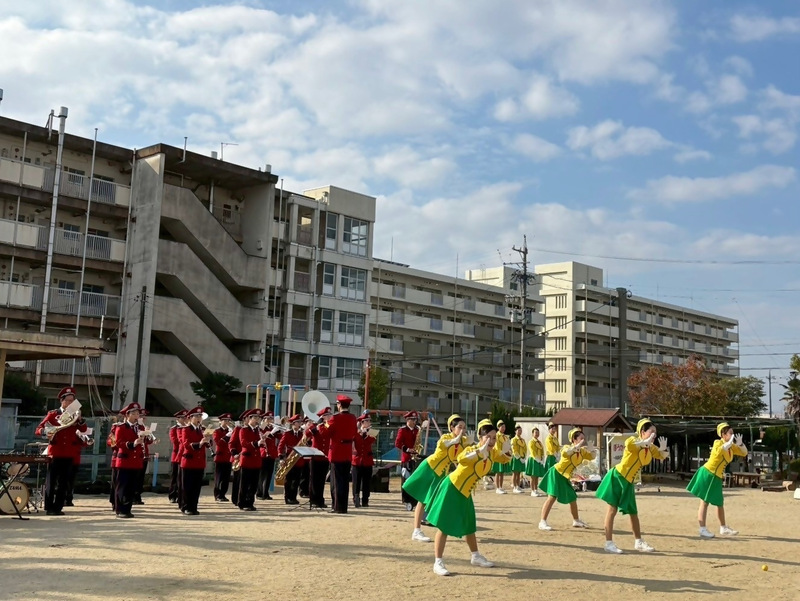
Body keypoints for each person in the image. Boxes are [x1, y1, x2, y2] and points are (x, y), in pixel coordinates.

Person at [426, 418, 511, 576]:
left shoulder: (492, 453)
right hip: (452, 488)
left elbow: (505, 458)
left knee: (469, 525)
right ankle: (438, 562)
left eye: (494, 438)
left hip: (465, 492)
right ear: (480, 437)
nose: (491, 441)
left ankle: (475, 556)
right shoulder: (471, 450)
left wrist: (508, 451)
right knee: (444, 526)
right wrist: (479, 451)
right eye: (488, 437)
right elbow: (461, 459)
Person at [596, 418, 670, 554]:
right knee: (612, 510)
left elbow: (661, 456)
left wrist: (663, 449)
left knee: (633, 512)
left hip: (628, 481)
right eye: (651, 432)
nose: (654, 435)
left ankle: (638, 541)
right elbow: (630, 446)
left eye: (655, 432)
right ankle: (608, 543)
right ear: (642, 432)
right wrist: (644, 442)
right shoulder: (632, 440)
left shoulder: (650, 447)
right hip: (618, 477)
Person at [403, 414, 467, 543]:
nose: (462, 430)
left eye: (464, 428)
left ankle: (434, 527)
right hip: (431, 468)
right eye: (459, 427)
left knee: (437, 500)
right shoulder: (446, 437)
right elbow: (443, 444)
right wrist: (455, 441)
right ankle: (417, 530)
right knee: (423, 499)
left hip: (442, 473)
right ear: (451, 428)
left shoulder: (462, 442)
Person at [687, 422, 748, 538]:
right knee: (704, 502)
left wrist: (740, 444)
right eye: (730, 433)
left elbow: (744, 453)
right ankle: (702, 529)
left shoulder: (731, 447)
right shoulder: (718, 443)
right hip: (708, 474)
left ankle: (723, 527)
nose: (733, 435)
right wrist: (729, 443)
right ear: (723, 434)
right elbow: (719, 451)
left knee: (719, 502)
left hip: (717, 476)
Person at [34, 386, 87, 516]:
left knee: (64, 481)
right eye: (68, 400)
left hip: (69, 452)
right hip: (55, 451)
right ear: (62, 401)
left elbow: (84, 429)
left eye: (72, 401)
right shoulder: (53, 414)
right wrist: (47, 432)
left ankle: (58, 507)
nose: (70, 403)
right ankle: (49, 506)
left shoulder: (75, 414)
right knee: (51, 481)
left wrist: (79, 419)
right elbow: (39, 429)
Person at [539, 428, 595, 531]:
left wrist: (592, 450)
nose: (583, 440)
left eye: (584, 438)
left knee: (572, 498)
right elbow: (566, 453)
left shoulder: (582, 451)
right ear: (574, 439)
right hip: (556, 473)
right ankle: (542, 521)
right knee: (552, 497)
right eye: (581, 438)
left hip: (565, 476)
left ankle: (576, 520)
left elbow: (592, 457)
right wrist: (576, 446)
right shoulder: (567, 447)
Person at [325, 394, 358, 514]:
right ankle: (344, 506)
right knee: (344, 481)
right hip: (347, 451)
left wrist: (326, 423)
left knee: (336, 481)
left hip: (337, 451)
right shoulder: (353, 418)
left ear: (339, 405)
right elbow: (354, 432)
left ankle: (337, 506)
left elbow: (328, 432)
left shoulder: (335, 418)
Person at [112, 402, 146, 519]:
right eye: (134, 413)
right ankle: (120, 509)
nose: (137, 415)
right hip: (124, 460)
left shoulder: (140, 428)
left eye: (138, 413)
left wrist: (147, 437)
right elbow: (119, 442)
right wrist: (133, 443)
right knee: (122, 486)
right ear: (127, 415)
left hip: (136, 461)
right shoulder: (121, 427)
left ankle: (127, 509)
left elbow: (147, 442)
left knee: (131, 487)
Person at [180, 407, 212, 515]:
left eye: (200, 416)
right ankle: (186, 506)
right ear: (190, 418)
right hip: (189, 461)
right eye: (197, 416)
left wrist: (208, 440)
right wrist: (199, 443)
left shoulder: (202, 429)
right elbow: (186, 444)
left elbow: (207, 445)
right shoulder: (186, 429)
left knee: (196, 487)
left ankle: (194, 506)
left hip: (199, 462)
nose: (199, 418)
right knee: (188, 486)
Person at [237, 409, 265, 511]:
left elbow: (259, 445)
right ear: (249, 419)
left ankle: (250, 502)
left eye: (258, 418)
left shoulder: (258, 431)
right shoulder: (243, 430)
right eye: (255, 418)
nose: (257, 420)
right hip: (247, 460)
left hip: (256, 460)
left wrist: (263, 443)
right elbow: (244, 443)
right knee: (245, 483)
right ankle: (242, 502)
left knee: (253, 484)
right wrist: (257, 443)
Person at [395, 411, 420, 511]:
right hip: (406, 458)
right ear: (407, 420)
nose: (414, 422)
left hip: (415, 457)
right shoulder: (403, 430)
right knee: (406, 479)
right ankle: (406, 499)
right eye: (412, 420)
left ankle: (414, 499)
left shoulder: (417, 430)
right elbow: (397, 443)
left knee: (415, 479)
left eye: (415, 420)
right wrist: (407, 449)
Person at [278, 415, 306, 505]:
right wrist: (281, 458)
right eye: (298, 422)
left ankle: (293, 497)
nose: (300, 424)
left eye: (300, 422)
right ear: (293, 424)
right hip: (289, 459)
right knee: (289, 480)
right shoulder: (287, 434)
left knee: (296, 480)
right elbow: (280, 446)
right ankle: (288, 497)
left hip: (299, 460)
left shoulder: (302, 434)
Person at [309, 407, 332, 509]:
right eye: (327, 415)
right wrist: (315, 428)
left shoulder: (328, 426)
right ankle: (313, 500)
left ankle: (320, 500)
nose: (329, 417)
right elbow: (306, 434)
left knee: (322, 480)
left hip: (325, 457)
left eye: (329, 415)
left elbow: (332, 432)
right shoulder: (315, 426)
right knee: (314, 479)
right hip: (315, 457)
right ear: (322, 417)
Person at [351, 413, 377, 509]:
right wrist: (360, 431)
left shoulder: (372, 432)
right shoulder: (356, 432)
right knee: (356, 482)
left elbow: (371, 440)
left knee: (366, 482)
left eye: (369, 421)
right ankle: (356, 498)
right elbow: (354, 440)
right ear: (362, 422)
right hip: (357, 461)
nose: (369, 422)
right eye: (367, 421)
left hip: (367, 461)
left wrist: (367, 432)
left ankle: (365, 500)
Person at [133, 409, 157, 505]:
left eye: (144, 417)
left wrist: (148, 434)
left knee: (141, 477)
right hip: (136, 455)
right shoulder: (135, 427)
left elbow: (149, 442)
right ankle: (133, 496)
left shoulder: (143, 427)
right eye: (141, 417)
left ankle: (138, 495)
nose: (143, 419)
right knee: (135, 477)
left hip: (144, 455)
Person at [167, 410, 188, 504]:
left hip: (186, 455)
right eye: (182, 418)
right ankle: (172, 495)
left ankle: (181, 495)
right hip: (176, 455)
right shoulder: (174, 429)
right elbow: (175, 441)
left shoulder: (188, 428)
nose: (184, 419)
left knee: (183, 477)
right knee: (175, 476)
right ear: (178, 419)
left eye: (185, 418)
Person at [257, 412, 279, 500]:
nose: (270, 421)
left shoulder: (274, 429)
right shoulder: (261, 428)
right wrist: (272, 432)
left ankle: (265, 493)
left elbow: (281, 437)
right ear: (264, 420)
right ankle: (259, 493)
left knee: (269, 475)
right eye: (268, 419)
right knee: (262, 474)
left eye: (271, 419)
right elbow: (262, 438)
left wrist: (278, 429)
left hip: (271, 454)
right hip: (263, 454)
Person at [212, 413, 234, 502]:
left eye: (228, 420)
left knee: (226, 478)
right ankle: (217, 494)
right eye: (225, 420)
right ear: (220, 421)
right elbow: (218, 442)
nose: (227, 422)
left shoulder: (230, 431)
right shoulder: (217, 431)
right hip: (220, 457)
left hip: (228, 457)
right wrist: (227, 436)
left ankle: (223, 494)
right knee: (219, 477)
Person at [229, 412, 244, 507]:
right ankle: (235, 498)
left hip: (247, 458)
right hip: (238, 457)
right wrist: (235, 454)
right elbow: (231, 443)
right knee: (238, 480)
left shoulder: (255, 430)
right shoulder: (238, 429)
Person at [525, 427, 546, 497]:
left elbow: (542, 450)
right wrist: (537, 459)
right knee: (533, 476)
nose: (537, 434)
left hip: (539, 460)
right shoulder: (531, 442)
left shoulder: (539, 442)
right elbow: (532, 451)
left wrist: (542, 458)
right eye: (535, 432)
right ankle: (532, 490)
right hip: (534, 460)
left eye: (538, 432)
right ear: (532, 434)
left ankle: (536, 489)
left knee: (537, 476)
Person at [492, 421, 511, 494]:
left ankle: (501, 487)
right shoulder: (497, 435)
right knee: (498, 472)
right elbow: (496, 445)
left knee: (502, 472)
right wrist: (501, 452)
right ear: (498, 427)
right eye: (502, 427)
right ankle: (497, 488)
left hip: (504, 456)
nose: (503, 428)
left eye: (504, 427)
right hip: (498, 455)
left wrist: (508, 452)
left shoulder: (505, 436)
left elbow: (507, 445)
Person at [510, 425, 527, 493]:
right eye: (518, 430)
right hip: (516, 457)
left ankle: (517, 486)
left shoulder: (523, 440)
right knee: (515, 473)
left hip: (522, 457)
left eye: (520, 430)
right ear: (515, 431)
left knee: (519, 473)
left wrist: (524, 456)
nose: (520, 432)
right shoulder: (513, 439)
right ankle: (514, 487)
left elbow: (525, 448)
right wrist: (518, 457)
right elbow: (514, 449)